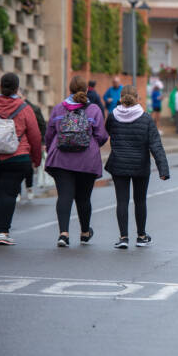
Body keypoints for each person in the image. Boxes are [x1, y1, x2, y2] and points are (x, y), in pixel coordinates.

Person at [45, 75, 108, 247]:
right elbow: (102, 136)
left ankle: (63, 234)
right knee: (83, 198)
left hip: (60, 160)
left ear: (70, 90)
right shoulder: (94, 109)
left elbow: (49, 135)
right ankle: (85, 232)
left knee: (64, 196)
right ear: (87, 90)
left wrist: (50, 149)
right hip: (86, 161)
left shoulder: (58, 109)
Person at [105, 85, 169, 249]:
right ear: (137, 98)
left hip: (118, 164)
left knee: (122, 201)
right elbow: (156, 145)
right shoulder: (146, 118)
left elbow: (107, 132)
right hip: (140, 165)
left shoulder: (113, 117)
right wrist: (163, 169)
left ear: (120, 98)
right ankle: (141, 236)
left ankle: (123, 237)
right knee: (140, 201)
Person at [0, 73, 42, 245]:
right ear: (17, 88)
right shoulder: (24, 108)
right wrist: (36, 160)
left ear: (1, 86)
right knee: (8, 194)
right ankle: (2, 232)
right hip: (17, 157)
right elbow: (35, 136)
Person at [19, 90, 46, 201]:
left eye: (19, 96)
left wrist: (43, 143)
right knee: (17, 169)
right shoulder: (9, 108)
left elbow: (42, 126)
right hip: (16, 143)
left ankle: (29, 187)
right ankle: (18, 192)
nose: (17, 98)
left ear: (24, 96)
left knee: (28, 168)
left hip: (30, 143)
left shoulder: (34, 109)